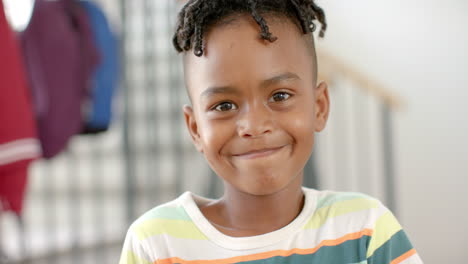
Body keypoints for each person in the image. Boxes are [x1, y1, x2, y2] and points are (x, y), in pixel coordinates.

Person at [119, 1, 423, 263]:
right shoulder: (156, 245)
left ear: (319, 107)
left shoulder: (366, 230)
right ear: (196, 128)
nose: (254, 125)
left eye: (279, 96)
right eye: (224, 105)